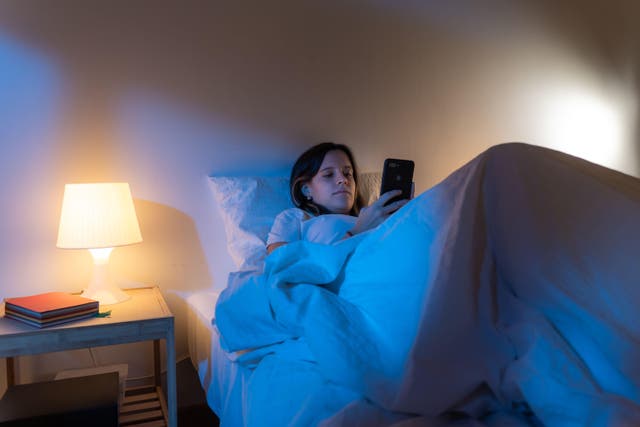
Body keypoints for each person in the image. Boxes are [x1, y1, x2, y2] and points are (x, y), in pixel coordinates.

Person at [266, 142, 409, 254]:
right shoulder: (294, 218)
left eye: (347, 174)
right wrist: (356, 233)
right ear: (306, 189)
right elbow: (281, 266)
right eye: (328, 175)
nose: (343, 180)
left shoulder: (375, 217)